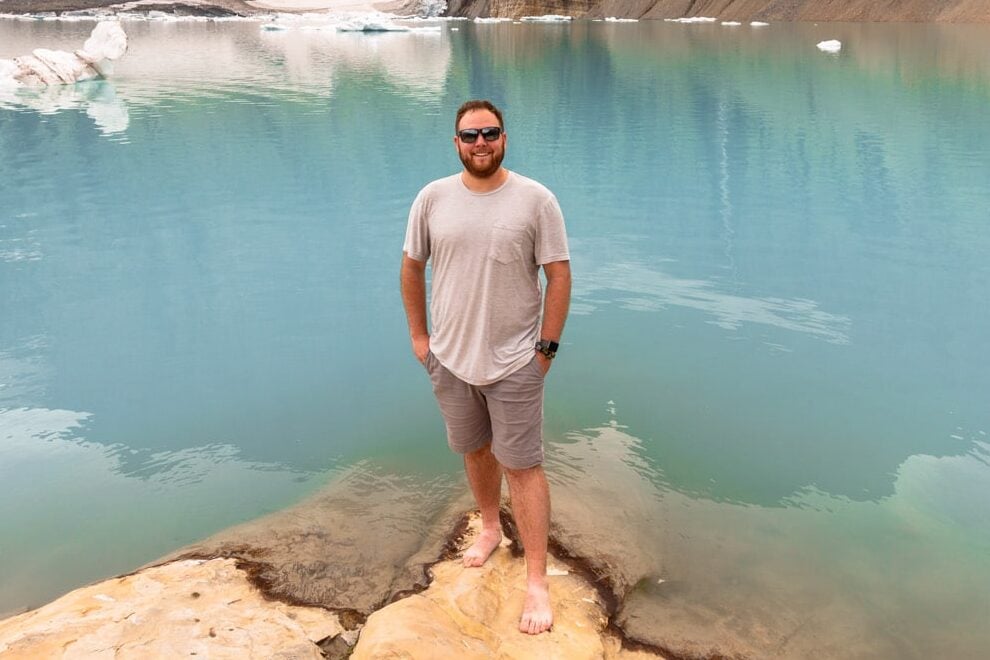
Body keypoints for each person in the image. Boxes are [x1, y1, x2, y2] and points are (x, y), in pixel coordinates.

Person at [400, 99, 571, 635]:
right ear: (456, 143)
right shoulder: (432, 198)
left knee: (523, 465)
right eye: (470, 136)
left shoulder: (535, 199)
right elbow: (411, 265)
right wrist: (420, 338)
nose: (480, 144)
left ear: (504, 138)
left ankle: (537, 580)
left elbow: (559, 276)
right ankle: (491, 527)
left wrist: (545, 351)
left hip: (515, 359)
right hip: (449, 360)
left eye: (490, 134)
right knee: (474, 449)